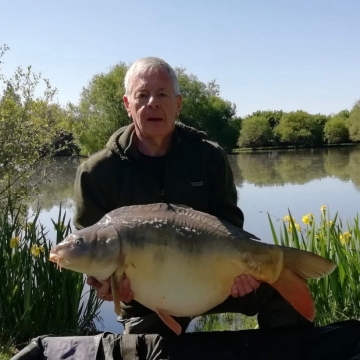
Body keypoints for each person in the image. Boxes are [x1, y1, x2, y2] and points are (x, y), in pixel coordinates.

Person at [73, 56, 313, 337]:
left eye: (162, 94)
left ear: (178, 104)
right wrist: (107, 286)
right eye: (142, 95)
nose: (153, 103)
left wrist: (242, 273)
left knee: (281, 296)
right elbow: (89, 252)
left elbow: (230, 225)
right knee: (146, 351)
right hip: (147, 297)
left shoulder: (209, 156)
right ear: (128, 105)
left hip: (215, 280)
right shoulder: (96, 173)